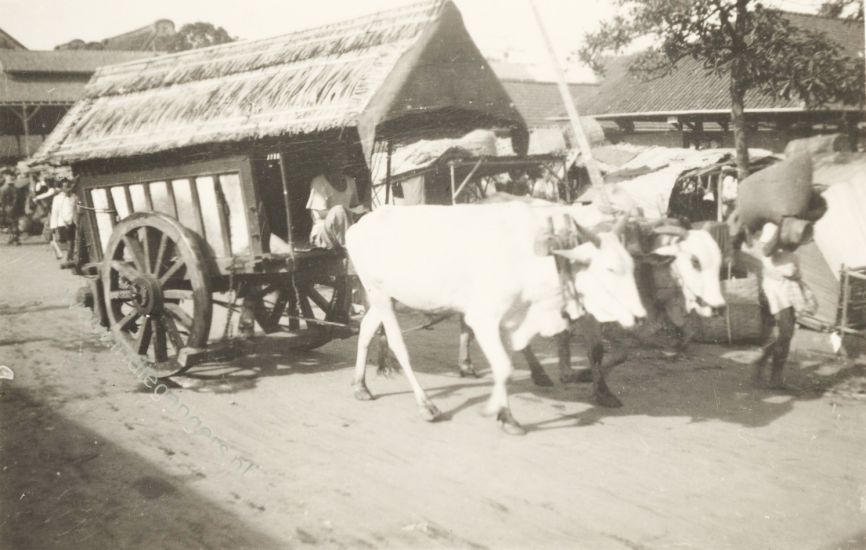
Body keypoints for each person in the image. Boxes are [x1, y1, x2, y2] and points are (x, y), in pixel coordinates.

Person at [740, 221, 817, 389]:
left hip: (779, 295)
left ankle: (763, 365)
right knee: (785, 334)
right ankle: (773, 374)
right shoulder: (780, 257)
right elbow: (792, 272)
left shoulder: (779, 255)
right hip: (779, 297)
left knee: (782, 335)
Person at [306, 146, 367, 249]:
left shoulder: (350, 181)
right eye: (338, 157)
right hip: (323, 233)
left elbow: (355, 206)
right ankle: (349, 249)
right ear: (329, 160)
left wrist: (362, 210)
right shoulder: (319, 182)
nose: (342, 161)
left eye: (344, 157)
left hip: (347, 230)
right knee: (338, 210)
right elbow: (319, 213)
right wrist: (349, 211)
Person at [49, 177, 78, 266]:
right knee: (66, 241)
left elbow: (76, 209)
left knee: (71, 240)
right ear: (61, 188)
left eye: (68, 186)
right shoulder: (57, 198)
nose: (67, 188)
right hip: (61, 223)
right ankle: (68, 256)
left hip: (72, 222)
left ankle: (70, 257)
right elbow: (54, 212)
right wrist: (53, 227)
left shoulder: (74, 197)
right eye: (65, 186)